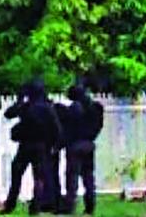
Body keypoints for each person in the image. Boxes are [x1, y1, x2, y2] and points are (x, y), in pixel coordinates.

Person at [1, 80, 61, 215]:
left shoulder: (26, 106)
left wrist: (19, 100)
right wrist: (53, 145)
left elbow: (8, 113)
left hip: (26, 145)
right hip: (41, 146)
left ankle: (10, 205)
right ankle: (35, 208)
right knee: (38, 178)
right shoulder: (48, 108)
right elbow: (56, 129)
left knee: (16, 175)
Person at [59, 84, 104, 215]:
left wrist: (61, 143)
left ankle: (70, 206)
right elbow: (98, 125)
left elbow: (67, 129)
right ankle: (90, 206)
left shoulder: (73, 109)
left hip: (75, 145)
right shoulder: (96, 108)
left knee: (72, 178)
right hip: (89, 143)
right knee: (88, 177)